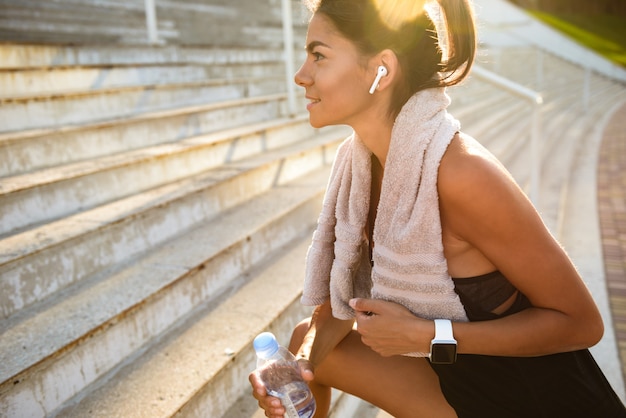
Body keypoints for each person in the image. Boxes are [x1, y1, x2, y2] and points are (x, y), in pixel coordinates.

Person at [249, 0, 626, 417]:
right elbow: (338, 308)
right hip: (462, 381)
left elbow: (582, 323)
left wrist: (430, 335)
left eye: (318, 55)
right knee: (313, 347)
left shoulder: (462, 174)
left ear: (382, 70)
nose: (301, 75)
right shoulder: (362, 165)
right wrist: (299, 366)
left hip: (537, 397)